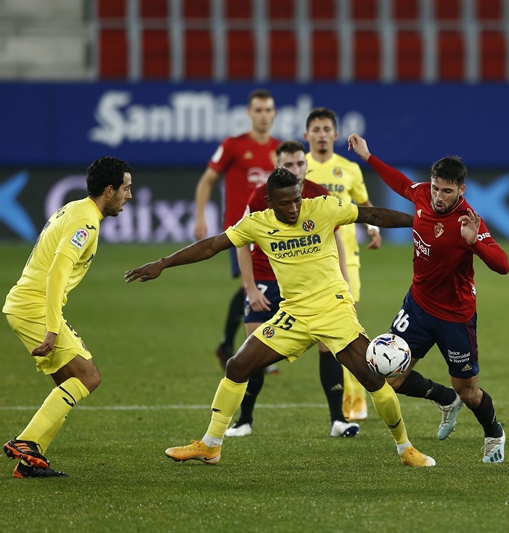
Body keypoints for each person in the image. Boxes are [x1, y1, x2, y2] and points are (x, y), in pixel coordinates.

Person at [124, 168, 435, 467]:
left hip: (333, 311)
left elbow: (372, 215)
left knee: (372, 378)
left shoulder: (322, 208)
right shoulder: (257, 224)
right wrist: (163, 263)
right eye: (284, 203)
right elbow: (212, 246)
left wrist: (418, 222)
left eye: (296, 200)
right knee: (237, 366)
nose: (293, 208)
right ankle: (210, 445)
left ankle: (405, 448)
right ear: (269, 202)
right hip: (294, 314)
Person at [348, 134, 509, 464]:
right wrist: (368, 156)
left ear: (461, 190)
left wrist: (475, 243)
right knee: (392, 377)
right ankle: (445, 398)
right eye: (436, 188)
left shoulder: (469, 221)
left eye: (447, 191)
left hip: (455, 316)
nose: (438, 196)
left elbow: (503, 265)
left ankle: (494, 432)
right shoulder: (423, 194)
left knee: (469, 391)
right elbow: (401, 184)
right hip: (418, 306)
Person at [2, 156, 133, 478]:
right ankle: (26, 442)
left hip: (27, 304)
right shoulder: (85, 223)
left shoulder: (76, 209)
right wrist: (52, 327)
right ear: (109, 190)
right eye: (126, 189)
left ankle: (29, 463)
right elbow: (57, 271)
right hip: (34, 307)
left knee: (68, 382)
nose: (129, 196)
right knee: (88, 377)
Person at [225, 140, 358, 438]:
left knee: (328, 346)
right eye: (288, 164)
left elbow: (335, 237)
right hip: (265, 280)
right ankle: (244, 420)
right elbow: (241, 242)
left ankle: (337, 419)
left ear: (306, 164)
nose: (296, 170)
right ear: (277, 166)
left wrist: (344, 281)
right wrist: (250, 288)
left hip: (308, 287)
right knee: (252, 351)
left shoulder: (318, 195)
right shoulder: (261, 196)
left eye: (300, 163)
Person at [193, 89, 281, 370]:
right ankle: (249, 353)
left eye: (268, 110)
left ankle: (232, 346)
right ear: (249, 113)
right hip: (239, 230)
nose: (263, 115)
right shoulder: (233, 145)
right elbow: (207, 180)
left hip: (270, 232)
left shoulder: (279, 150)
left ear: (274, 113)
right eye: (258, 110)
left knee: (262, 287)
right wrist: (200, 215)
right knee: (249, 285)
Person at [304, 108, 382, 422]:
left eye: (327, 129)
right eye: (316, 129)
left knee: (350, 328)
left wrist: (373, 228)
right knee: (326, 336)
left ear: (335, 135)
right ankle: (341, 402)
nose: (322, 135)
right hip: (312, 261)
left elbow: (363, 204)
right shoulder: (299, 167)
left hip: (347, 257)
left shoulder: (349, 169)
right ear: (307, 135)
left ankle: (355, 400)